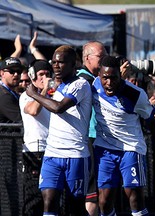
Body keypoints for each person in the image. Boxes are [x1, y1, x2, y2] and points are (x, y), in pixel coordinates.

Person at [91, 55, 155, 216]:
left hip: (131, 148)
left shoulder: (135, 94)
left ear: (121, 75)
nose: (109, 83)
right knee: (104, 202)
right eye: (105, 78)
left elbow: (152, 121)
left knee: (133, 196)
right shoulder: (93, 85)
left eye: (113, 78)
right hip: (105, 149)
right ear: (99, 76)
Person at [26, 45, 92, 216]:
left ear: (73, 64)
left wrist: (34, 94)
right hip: (52, 154)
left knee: (75, 207)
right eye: (54, 62)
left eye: (61, 62)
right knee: (49, 202)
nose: (56, 66)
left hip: (75, 155)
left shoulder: (80, 84)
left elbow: (59, 108)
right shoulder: (55, 86)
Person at [77, 41, 108, 216]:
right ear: (87, 58)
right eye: (101, 57)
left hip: (100, 139)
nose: (105, 60)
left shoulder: (96, 80)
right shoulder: (84, 81)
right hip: (90, 138)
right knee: (92, 194)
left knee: (102, 191)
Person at [19, 59, 54, 216]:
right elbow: (33, 110)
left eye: (47, 74)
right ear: (32, 76)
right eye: (41, 74)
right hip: (35, 151)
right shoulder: (26, 96)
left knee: (51, 197)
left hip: (52, 150)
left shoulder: (53, 97)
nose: (44, 78)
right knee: (34, 198)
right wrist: (44, 90)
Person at [0, 57, 23, 123]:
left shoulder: (9, 91)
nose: (16, 74)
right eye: (12, 71)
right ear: (2, 73)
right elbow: (20, 120)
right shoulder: (3, 95)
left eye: (19, 71)